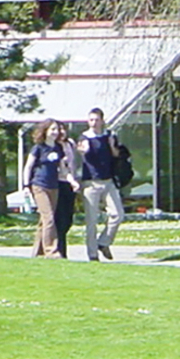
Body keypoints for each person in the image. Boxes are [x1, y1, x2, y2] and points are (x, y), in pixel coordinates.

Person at [73, 107, 129, 261]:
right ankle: (92, 254)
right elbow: (81, 151)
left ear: (102, 121)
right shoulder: (84, 137)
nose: (94, 123)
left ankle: (103, 242)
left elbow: (117, 155)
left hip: (108, 181)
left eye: (97, 120)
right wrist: (83, 150)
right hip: (91, 182)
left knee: (118, 214)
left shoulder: (109, 136)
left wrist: (112, 146)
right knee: (91, 220)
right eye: (91, 120)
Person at [25, 120, 77, 257]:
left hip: (54, 187)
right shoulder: (39, 148)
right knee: (49, 218)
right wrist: (26, 185)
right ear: (45, 131)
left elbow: (63, 169)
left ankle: (37, 252)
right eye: (52, 129)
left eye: (56, 129)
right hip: (39, 185)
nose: (55, 132)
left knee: (44, 221)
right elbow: (28, 166)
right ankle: (51, 251)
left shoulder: (58, 148)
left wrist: (72, 181)